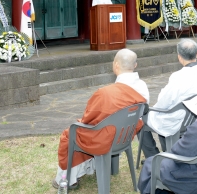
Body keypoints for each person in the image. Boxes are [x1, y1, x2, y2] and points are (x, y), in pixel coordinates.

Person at [53, 49, 148, 189]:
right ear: (135, 65)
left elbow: (88, 119)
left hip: (105, 139)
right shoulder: (143, 87)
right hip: (125, 137)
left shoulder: (106, 93)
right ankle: (93, 168)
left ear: (115, 65)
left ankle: (70, 179)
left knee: (70, 134)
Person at [140, 39, 197, 158]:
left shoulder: (178, 77)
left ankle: (152, 156)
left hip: (177, 120)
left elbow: (163, 103)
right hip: (195, 117)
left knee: (141, 119)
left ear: (179, 57)